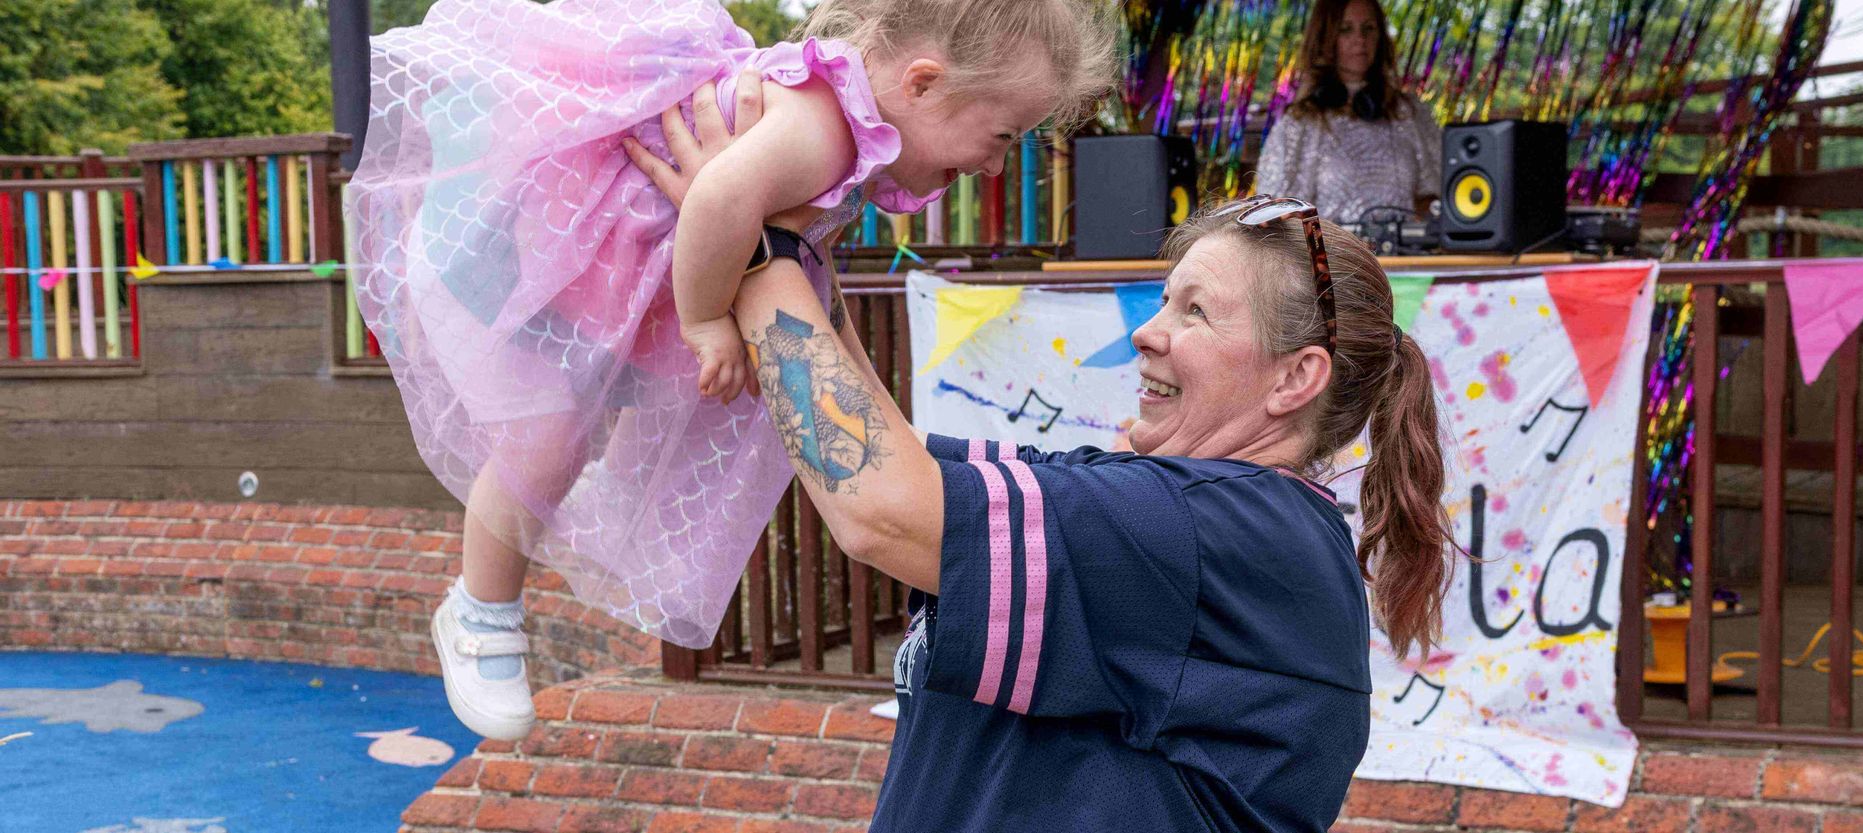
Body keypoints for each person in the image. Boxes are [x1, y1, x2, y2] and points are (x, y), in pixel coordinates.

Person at [638, 102, 1457, 832]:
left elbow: (880, 508)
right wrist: (798, 247)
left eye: (1196, 310)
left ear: (1294, 379)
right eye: (1165, 298)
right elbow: (900, 467)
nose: (1148, 331)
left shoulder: (1216, 529)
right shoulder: (1201, 513)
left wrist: (745, 236)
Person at [347, 0, 1117, 741]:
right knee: (547, 442)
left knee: (605, 427)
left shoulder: (843, 117)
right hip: (553, 253)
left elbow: (787, 254)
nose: (994, 165)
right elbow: (717, 198)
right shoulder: (822, 130)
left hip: (615, 274)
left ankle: (542, 525)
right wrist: (704, 319)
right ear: (921, 83)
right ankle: (481, 610)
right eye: (1003, 136)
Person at [1255, 0, 1442, 224]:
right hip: (1334, 257)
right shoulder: (1299, 123)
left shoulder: (1410, 113)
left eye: (1368, 28)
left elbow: (1439, 199)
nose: (1360, 39)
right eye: (1346, 29)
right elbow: (1275, 217)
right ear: (1325, 38)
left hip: (1405, 257)